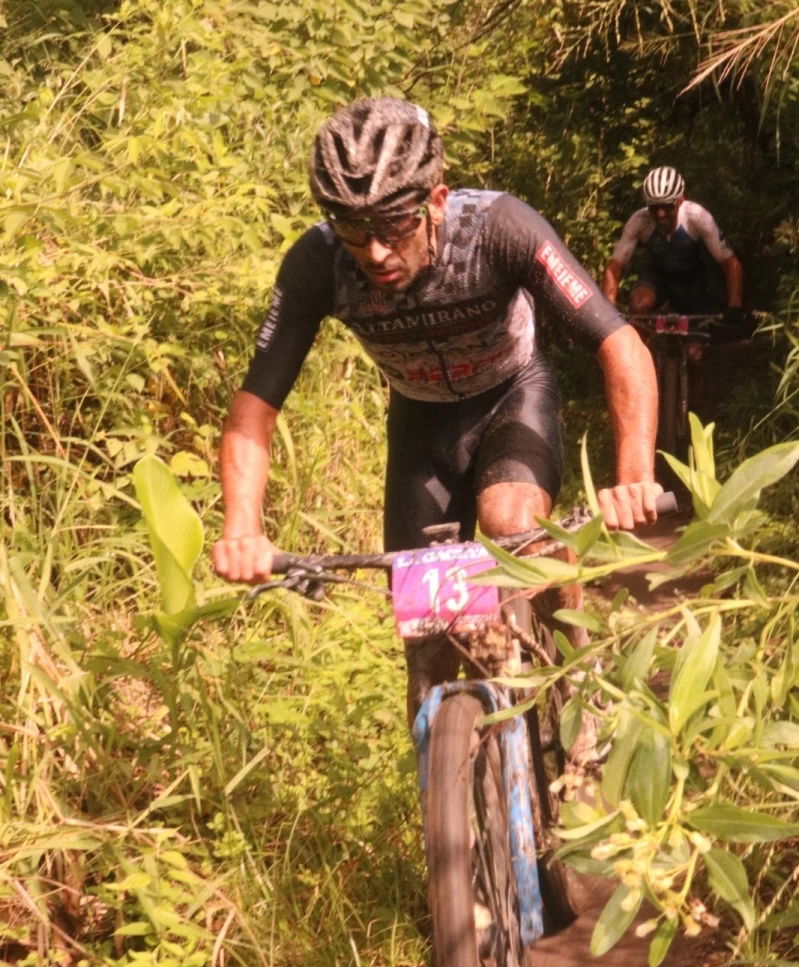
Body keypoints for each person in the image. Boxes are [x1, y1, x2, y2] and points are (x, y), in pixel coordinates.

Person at [212, 97, 661, 727]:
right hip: (421, 423)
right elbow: (252, 413)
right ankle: (446, 794)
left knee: (511, 520)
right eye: (350, 228)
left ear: (438, 200)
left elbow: (620, 343)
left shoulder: (500, 228)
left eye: (393, 225)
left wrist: (634, 476)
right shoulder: (318, 262)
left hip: (513, 394)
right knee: (425, 647)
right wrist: (242, 527)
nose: (373, 251)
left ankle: (574, 673)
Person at [601, 167, 744, 406]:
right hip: (659, 278)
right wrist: (607, 309)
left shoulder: (698, 218)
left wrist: (735, 304)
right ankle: (639, 369)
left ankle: (696, 416)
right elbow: (614, 267)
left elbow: (730, 262)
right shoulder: (639, 221)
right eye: (653, 207)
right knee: (639, 305)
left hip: (693, 283)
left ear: (680, 200)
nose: (659, 214)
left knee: (695, 355)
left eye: (666, 206)